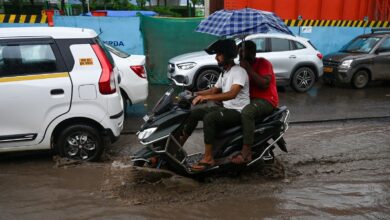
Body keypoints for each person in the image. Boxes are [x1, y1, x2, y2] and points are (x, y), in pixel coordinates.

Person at [181, 39, 250, 171]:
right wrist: (194, 93)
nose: (216, 57)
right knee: (194, 113)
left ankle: (208, 158)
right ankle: (178, 147)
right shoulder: (225, 72)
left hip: (237, 111)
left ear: (228, 55)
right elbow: (214, 90)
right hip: (226, 108)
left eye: (219, 54)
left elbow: (232, 93)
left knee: (210, 118)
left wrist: (205, 97)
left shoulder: (239, 71)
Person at [231, 40, 279, 164]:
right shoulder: (239, 66)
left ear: (252, 52)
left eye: (243, 51)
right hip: (249, 99)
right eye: (239, 51)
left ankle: (246, 152)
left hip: (266, 100)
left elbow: (264, 84)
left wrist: (249, 69)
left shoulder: (263, 63)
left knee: (247, 112)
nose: (240, 54)